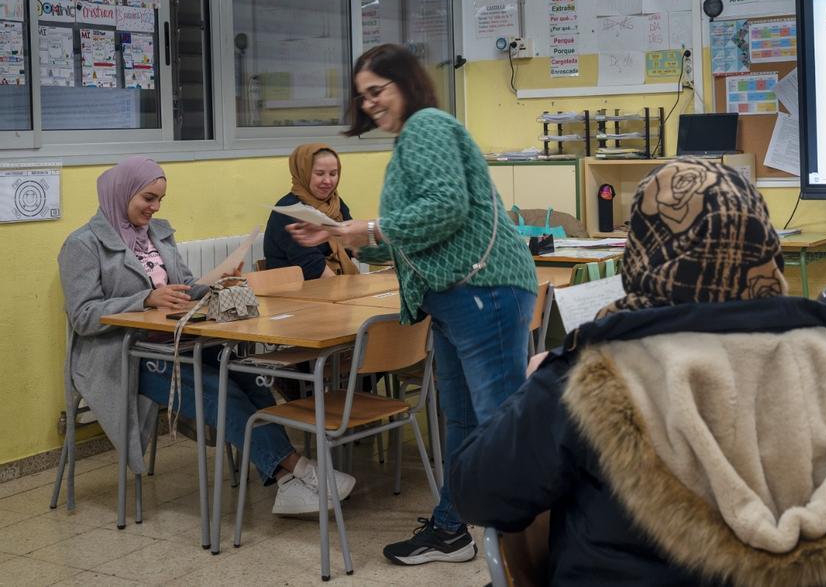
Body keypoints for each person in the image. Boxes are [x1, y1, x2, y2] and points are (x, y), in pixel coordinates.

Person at [449, 158, 826, 586]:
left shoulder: (596, 372)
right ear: (764, 243)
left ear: (642, 250)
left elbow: (478, 493)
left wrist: (536, 389)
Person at [287, 44, 539, 565]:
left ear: (405, 84)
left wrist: (369, 227)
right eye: (363, 97)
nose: (371, 104)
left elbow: (446, 208)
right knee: (465, 423)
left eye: (377, 91)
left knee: (500, 425)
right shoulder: (413, 139)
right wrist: (345, 235)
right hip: (455, 297)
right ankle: (452, 529)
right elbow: (415, 232)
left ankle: (536, 552)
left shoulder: (426, 126)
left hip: (482, 290)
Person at [57, 156, 354, 516]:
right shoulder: (83, 245)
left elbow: (186, 288)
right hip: (127, 352)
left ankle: (287, 480)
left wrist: (216, 282)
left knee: (252, 378)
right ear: (122, 194)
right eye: (148, 198)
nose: (155, 208)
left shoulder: (158, 235)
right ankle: (299, 470)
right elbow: (84, 316)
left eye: (159, 200)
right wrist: (145, 298)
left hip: (182, 341)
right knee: (217, 391)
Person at [264, 143, 358, 279]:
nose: (327, 181)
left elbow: (353, 245)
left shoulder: (336, 204)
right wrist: (348, 294)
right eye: (319, 174)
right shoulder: (289, 210)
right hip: (296, 291)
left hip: (335, 284)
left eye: (333, 174)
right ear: (303, 173)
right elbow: (313, 267)